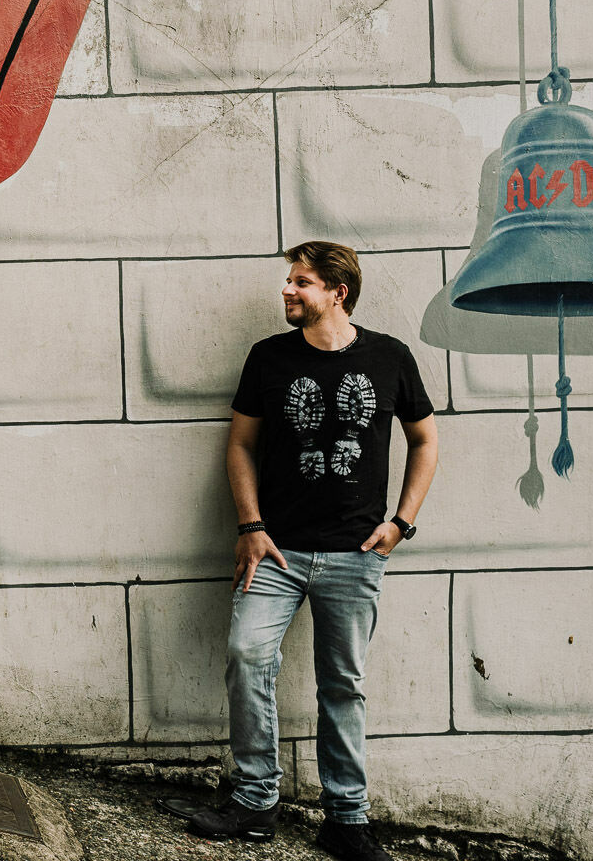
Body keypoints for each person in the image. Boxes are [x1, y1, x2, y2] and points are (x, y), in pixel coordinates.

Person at [179, 242, 438, 861]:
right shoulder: (269, 358)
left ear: (336, 293)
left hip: (354, 553)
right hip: (277, 552)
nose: (288, 291)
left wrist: (401, 523)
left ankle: (347, 819)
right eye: (290, 281)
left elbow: (425, 440)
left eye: (301, 282)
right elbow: (240, 445)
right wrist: (250, 524)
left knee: (342, 685)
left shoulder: (389, 358)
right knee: (247, 655)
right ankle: (255, 800)